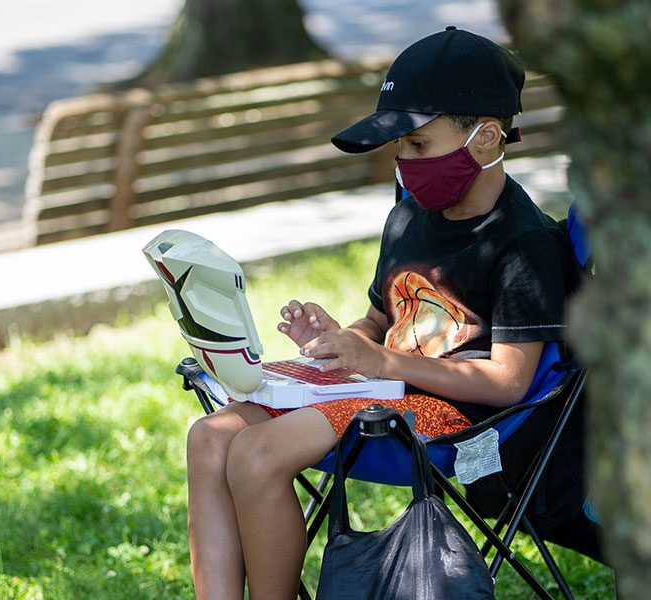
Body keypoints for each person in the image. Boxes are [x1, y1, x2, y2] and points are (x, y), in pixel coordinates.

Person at [184, 26, 581, 600]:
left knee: (257, 451)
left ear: (487, 137)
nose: (404, 161)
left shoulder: (524, 245)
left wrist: (381, 361)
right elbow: (380, 319)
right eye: (400, 147)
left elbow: (506, 383)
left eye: (418, 144)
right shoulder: (408, 218)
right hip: (374, 393)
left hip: (455, 418)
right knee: (209, 437)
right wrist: (340, 338)